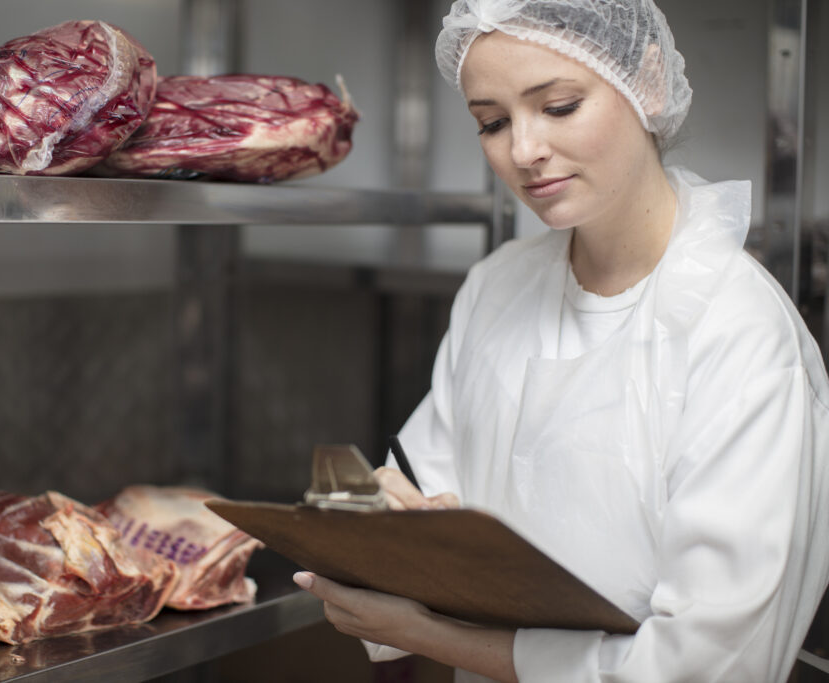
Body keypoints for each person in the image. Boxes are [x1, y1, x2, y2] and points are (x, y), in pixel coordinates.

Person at [291, 1, 829, 681]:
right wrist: (371, 522)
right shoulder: (498, 286)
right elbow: (415, 489)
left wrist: (432, 634)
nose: (523, 151)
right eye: (492, 121)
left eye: (560, 105)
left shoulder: (738, 333)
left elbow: (705, 664)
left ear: (649, 81)